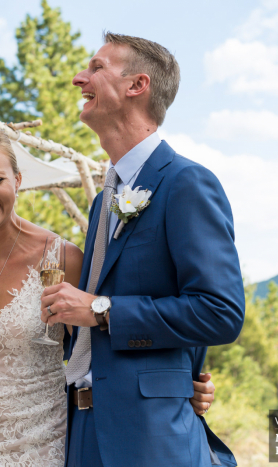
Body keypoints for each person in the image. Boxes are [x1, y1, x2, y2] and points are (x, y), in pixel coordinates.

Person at [0, 124, 216, 466]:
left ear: (17, 180)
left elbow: (100, 351)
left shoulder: (64, 259)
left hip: (46, 443)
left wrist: (179, 385)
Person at [41, 32, 246, 467]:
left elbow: (219, 312)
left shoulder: (187, 183)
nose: (80, 78)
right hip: (80, 433)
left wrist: (101, 310)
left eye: (97, 67)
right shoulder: (104, 200)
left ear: (138, 85)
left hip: (151, 440)